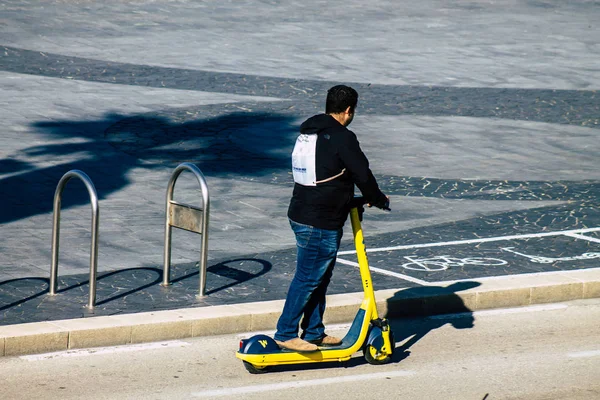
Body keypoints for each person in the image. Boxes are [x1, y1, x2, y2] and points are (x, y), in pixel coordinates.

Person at [274, 85, 390, 352]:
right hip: (319, 221)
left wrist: (350, 199)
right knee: (307, 278)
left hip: (302, 212)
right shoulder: (341, 137)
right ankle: (285, 332)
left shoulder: (307, 133)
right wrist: (378, 198)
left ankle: (314, 331)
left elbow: (325, 172)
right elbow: (362, 173)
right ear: (349, 110)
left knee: (319, 276)